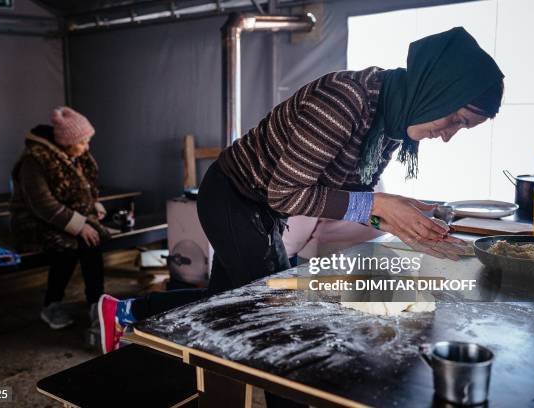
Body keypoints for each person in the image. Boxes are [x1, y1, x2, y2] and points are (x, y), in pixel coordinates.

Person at [99, 26, 503, 407]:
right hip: (234, 196)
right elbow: (287, 192)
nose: (448, 134)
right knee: (283, 318)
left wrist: (401, 221)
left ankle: (128, 311)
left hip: (264, 205)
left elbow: (358, 192)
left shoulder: (390, 123)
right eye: (456, 119)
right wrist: (380, 207)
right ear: (437, 90)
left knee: (227, 304)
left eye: (463, 129)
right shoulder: (344, 100)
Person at [10, 107, 110, 330]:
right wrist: (80, 226)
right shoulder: (34, 161)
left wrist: (94, 207)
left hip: (69, 216)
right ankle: (51, 305)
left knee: (92, 241)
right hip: (34, 220)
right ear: (67, 141)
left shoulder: (75, 156)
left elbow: (86, 189)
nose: (87, 147)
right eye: (83, 142)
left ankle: (97, 304)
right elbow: (42, 204)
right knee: (67, 246)